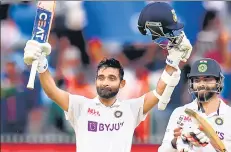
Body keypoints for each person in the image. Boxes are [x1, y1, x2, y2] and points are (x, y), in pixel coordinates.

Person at [23, 2, 192, 152]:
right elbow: (52, 91)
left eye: (112, 78)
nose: (105, 82)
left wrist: (173, 60)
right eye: (102, 77)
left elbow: (159, 92)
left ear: (122, 83)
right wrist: (42, 63)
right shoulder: (80, 106)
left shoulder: (130, 109)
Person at [158, 58, 231, 152]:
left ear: (219, 82)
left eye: (208, 80)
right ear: (191, 83)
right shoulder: (180, 113)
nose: (202, 84)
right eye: (197, 80)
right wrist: (175, 142)